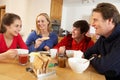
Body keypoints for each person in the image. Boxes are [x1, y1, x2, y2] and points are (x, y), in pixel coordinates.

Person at [84, 3, 120, 80]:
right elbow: (87, 53)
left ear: (110, 20)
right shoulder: (104, 37)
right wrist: (95, 57)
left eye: (95, 20)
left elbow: (103, 67)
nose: (92, 24)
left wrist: (92, 58)